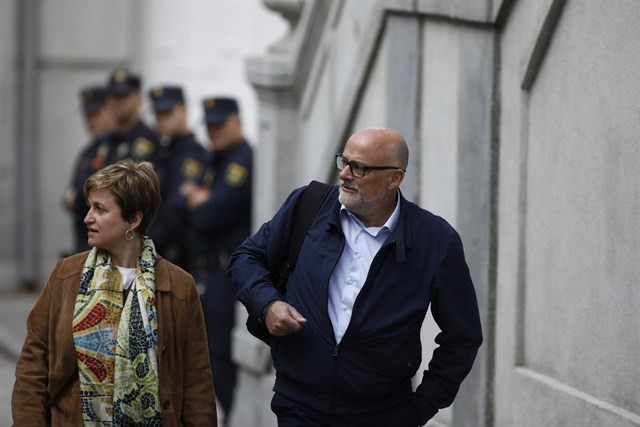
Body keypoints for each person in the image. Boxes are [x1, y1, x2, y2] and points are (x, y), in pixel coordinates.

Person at [227, 127, 483, 426]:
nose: (345, 174)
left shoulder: (435, 240)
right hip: (299, 407)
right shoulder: (307, 206)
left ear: (394, 178)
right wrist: (268, 304)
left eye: (359, 168)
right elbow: (245, 258)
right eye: (344, 161)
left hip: (382, 415)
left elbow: (463, 337)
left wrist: (419, 409)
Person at [13, 160, 217, 425]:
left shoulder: (178, 286)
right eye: (89, 207)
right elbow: (33, 365)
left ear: (133, 219)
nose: (88, 217)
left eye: (100, 209)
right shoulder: (67, 275)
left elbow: (197, 383)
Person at [180, 97, 252, 425]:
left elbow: (212, 214)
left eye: (220, 124)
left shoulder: (242, 160)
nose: (214, 132)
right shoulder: (211, 159)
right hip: (202, 269)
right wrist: (195, 199)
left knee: (220, 352)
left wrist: (200, 199)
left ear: (238, 122)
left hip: (225, 272)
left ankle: (230, 417)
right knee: (200, 353)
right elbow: (181, 202)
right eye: (209, 125)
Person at [146, 85, 207, 266]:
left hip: (176, 255)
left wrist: (140, 241)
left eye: (167, 112)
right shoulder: (160, 151)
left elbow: (176, 209)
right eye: (158, 114)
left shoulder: (194, 154)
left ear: (183, 110)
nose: (162, 119)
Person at [63, 84, 115, 253]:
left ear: (108, 111)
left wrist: (77, 196)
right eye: (87, 116)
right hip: (84, 242)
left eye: (96, 114)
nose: (91, 121)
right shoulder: (87, 153)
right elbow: (69, 195)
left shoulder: (115, 148)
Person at [105, 69, 167, 172]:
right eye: (115, 96)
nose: (119, 103)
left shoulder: (149, 141)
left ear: (138, 99)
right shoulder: (107, 141)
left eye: (124, 96)